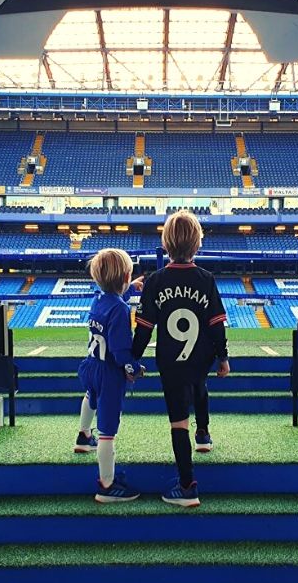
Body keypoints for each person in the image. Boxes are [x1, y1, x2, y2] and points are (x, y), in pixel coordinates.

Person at [132, 210, 230, 507]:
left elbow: (144, 329)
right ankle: (204, 432)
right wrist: (223, 357)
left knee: (177, 423)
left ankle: (187, 486)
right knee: (199, 386)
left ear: (165, 244)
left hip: (170, 360)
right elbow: (216, 323)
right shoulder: (207, 279)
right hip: (201, 356)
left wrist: (133, 360)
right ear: (197, 244)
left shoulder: (154, 281)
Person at [74, 248, 145, 503]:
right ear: (127, 276)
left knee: (89, 397)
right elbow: (120, 352)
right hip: (109, 372)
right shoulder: (122, 310)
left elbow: (112, 299)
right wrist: (135, 369)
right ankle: (106, 484)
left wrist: (129, 288)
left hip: (90, 365)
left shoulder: (98, 299)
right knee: (108, 431)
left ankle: (83, 435)